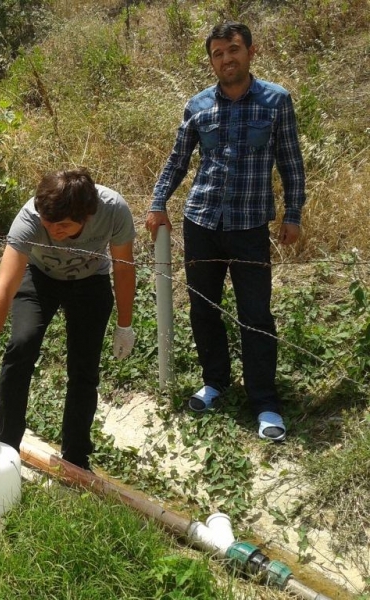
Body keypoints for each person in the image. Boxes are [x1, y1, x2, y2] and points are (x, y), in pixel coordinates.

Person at [146, 22, 306, 442]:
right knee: (204, 309)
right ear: (212, 60)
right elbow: (178, 159)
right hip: (201, 223)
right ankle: (214, 382)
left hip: (250, 226)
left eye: (233, 50)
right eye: (218, 54)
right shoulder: (198, 105)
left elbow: (291, 162)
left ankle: (265, 403)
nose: (226, 59)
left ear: (251, 51)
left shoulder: (275, 101)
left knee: (256, 316)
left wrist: (294, 214)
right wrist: (157, 202)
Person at [0, 168, 137, 470]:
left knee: (84, 366)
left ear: (87, 215)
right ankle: (5, 447)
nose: (52, 229)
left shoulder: (114, 210)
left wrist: (125, 324)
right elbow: (3, 289)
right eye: (47, 221)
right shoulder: (30, 218)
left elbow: (123, 268)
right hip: (40, 277)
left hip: (91, 279)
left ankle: (76, 456)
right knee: (21, 345)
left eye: (63, 225)